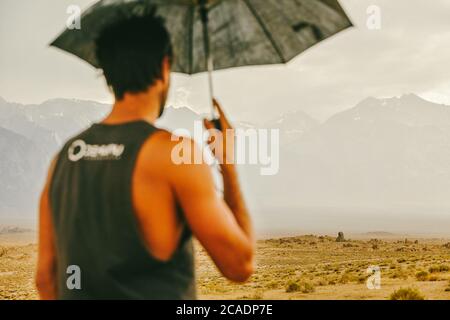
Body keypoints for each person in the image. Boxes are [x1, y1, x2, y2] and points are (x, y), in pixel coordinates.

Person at [36, 14, 254, 300]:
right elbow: (240, 265)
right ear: (165, 68)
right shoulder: (174, 154)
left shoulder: (63, 159)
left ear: (108, 73)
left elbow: (45, 280)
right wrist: (227, 165)